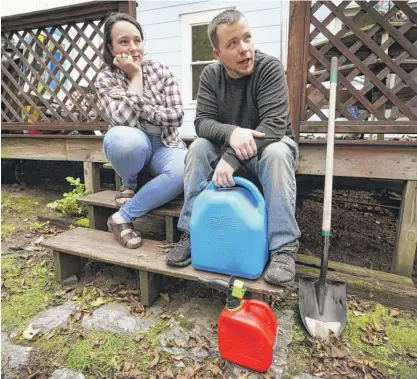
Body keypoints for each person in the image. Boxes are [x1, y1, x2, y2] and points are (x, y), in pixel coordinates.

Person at [166, 9, 300, 286]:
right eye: (233, 44)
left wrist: (231, 158)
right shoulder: (210, 76)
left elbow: (274, 125)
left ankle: (284, 249)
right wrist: (233, 133)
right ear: (217, 54)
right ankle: (193, 232)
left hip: (268, 148)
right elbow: (202, 123)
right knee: (199, 147)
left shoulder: (269, 68)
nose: (245, 49)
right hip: (231, 150)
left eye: (247, 38)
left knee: (277, 153)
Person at [95, 13, 187, 249]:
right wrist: (135, 77)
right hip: (135, 146)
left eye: (137, 40)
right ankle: (131, 181)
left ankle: (122, 217)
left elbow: (176, 117)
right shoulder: (105, 79)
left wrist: (133, 101)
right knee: (125, 139)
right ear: (110, 47)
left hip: (165, 144)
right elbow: (122, 121)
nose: (133, 48)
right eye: (124, 42)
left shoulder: (160, 71)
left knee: (181, 172)